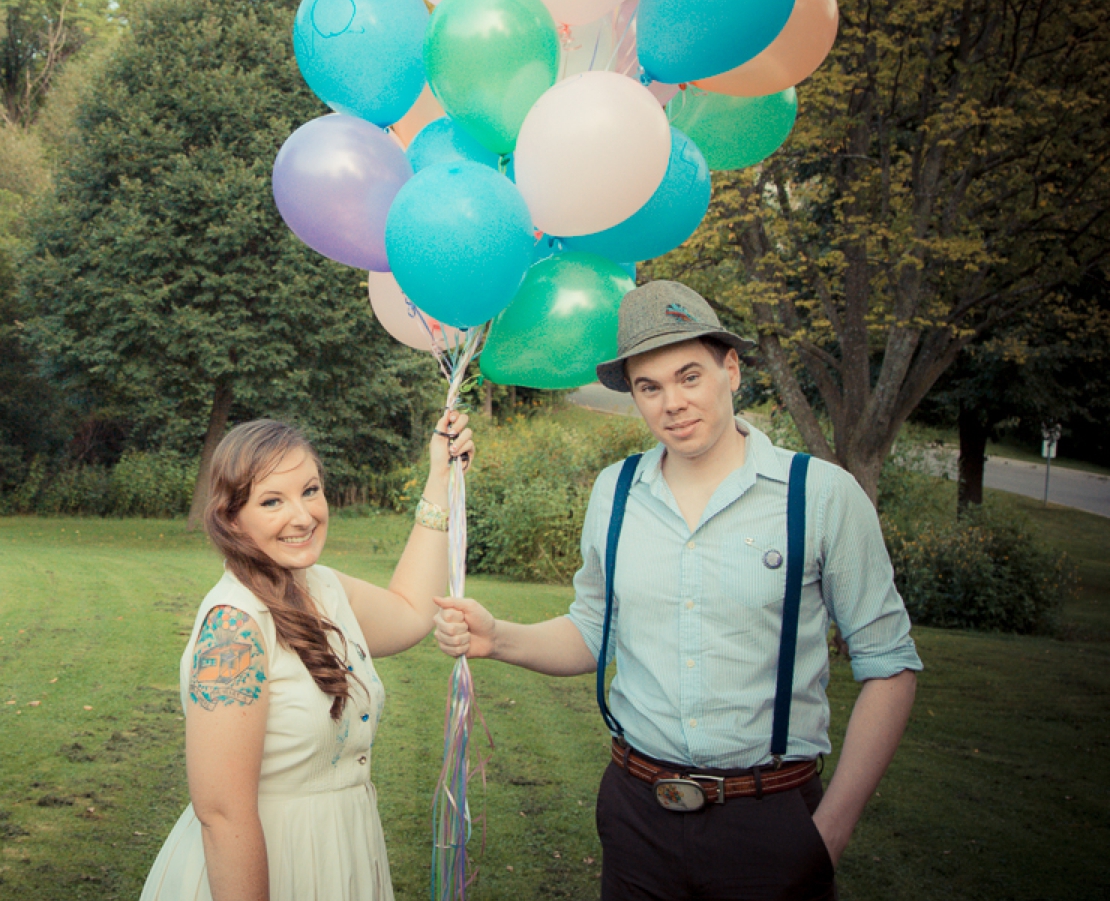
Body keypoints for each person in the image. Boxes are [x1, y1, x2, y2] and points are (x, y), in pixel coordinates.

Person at [435, 280, 921, 901]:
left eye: (689, 376)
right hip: (637, 815)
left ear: (731, 369)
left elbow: (890, 665)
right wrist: (498, 637)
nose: (673, 403)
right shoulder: (615, 491)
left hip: (769, 820)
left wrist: (828, 833)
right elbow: (592, 629)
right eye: (650, 386)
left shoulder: (821, 495)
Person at [140, 410, 474, 901]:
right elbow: (222, 815)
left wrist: (439, 479)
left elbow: (409, 613)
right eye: (272, 500)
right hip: (275, 866)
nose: (303, 516)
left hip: (344, 853)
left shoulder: (323, 587)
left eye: (310, 491)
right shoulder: (233, 628)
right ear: (231, 517)